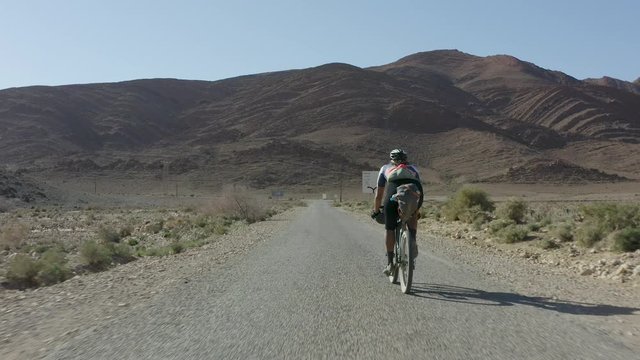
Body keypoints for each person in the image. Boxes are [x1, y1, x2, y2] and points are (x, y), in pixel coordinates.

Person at [370, 149, 423, 276]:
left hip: (392, 198)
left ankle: (390, 263)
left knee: (389, 229)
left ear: (391, 159)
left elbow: (379, 195)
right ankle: (412, 242)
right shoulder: (414, 169)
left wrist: (376, 211)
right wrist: (417, 210)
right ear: (406, 158)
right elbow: (419, 190)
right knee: (412, 215)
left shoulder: (385, 169)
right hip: (413, 197)